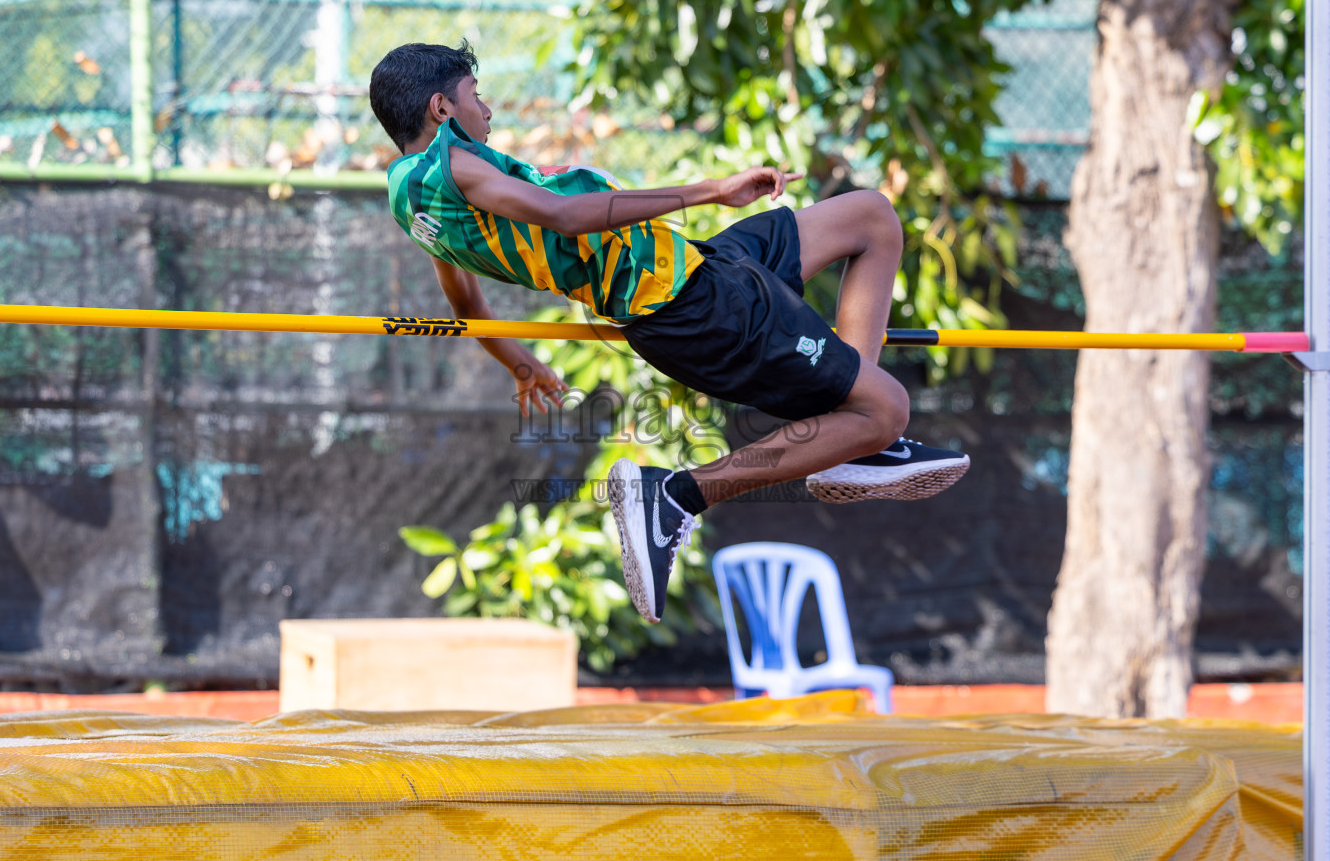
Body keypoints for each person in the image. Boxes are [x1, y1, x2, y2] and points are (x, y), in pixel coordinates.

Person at [370, 41, 969, 623]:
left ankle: (858, 441)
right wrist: (713, 189)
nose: (488, 109)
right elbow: (567, 216)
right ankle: (678, 495)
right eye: (476, 95)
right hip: (689, 302)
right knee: (888, 408)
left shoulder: (413, 195)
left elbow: (464, 298)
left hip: (692, 266)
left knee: (869, 216)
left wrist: (520, 365)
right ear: (441, 109)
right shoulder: (450, 162)